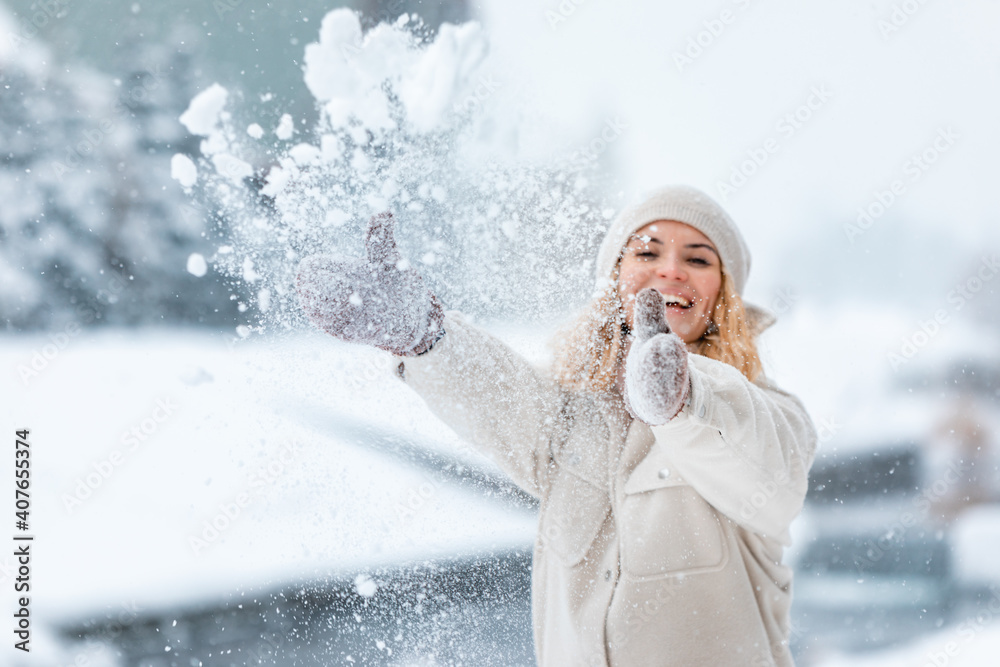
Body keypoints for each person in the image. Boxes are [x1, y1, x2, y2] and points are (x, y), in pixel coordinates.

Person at [296, 184, 818, 667]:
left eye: (697, 259)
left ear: (725, 293)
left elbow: (762, 468)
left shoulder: (772, 416)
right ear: (615, 277)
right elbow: (499, 397)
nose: (671, 271)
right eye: (647, 252)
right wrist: (425, 337)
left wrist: (684, 397)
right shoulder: (575, 412)